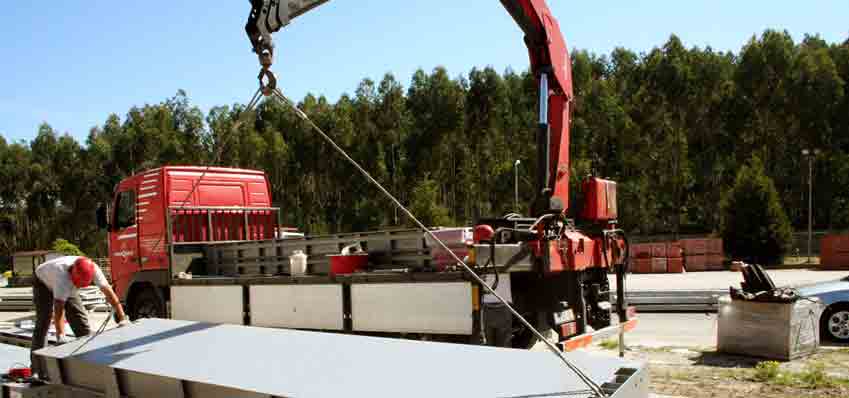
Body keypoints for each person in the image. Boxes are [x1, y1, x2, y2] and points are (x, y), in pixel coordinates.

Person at [30, 256, 129, 377]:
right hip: (42, 281)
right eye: (79, 284)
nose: (80, 287)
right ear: (73, 275)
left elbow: (109, 292)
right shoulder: (62, 278)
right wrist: (60, 336)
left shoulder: (94, 270)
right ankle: (37, 369)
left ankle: (89, 365)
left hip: (65, 279)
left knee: (81, 321)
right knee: (43, 322)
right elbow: (59, 310)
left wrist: (122, 318)